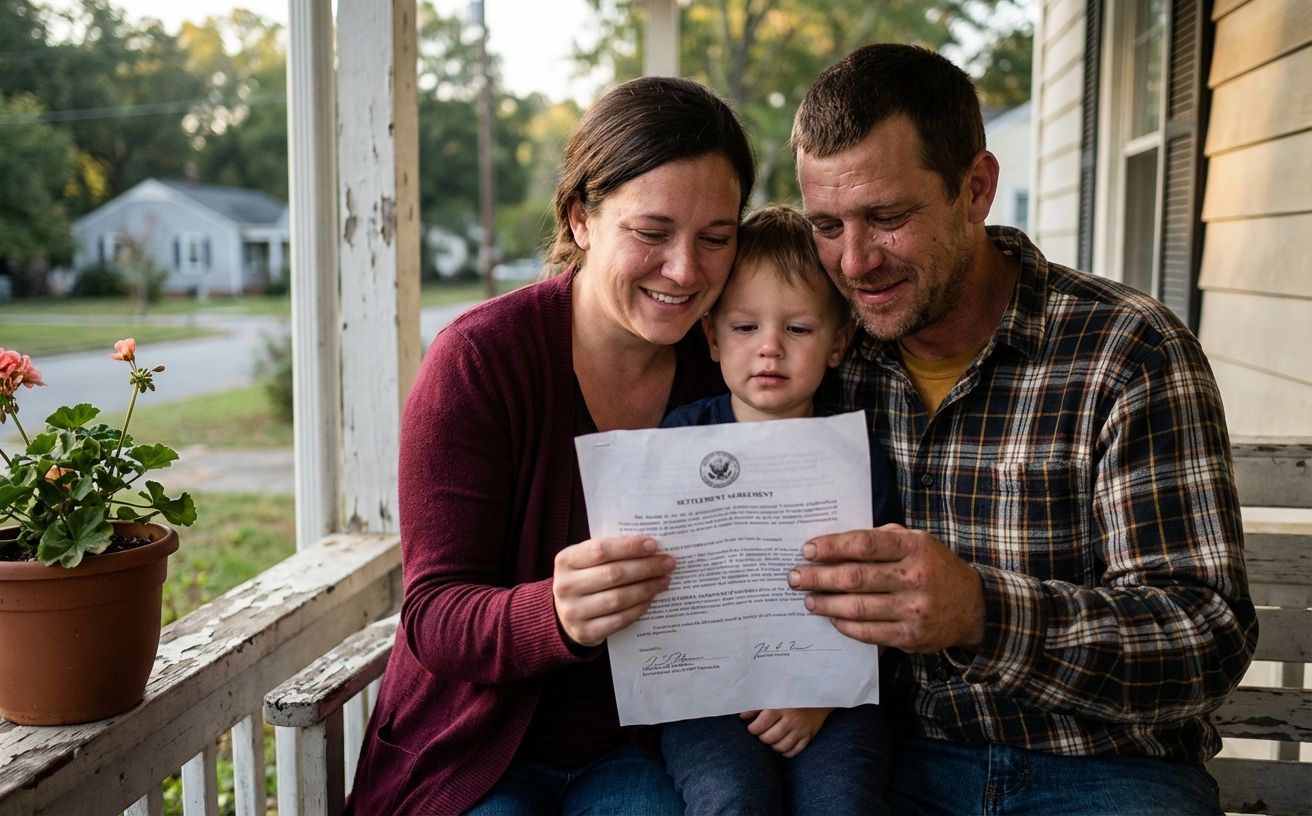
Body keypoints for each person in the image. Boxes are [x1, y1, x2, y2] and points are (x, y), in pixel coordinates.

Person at [786, 44, 1257, 814]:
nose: (854, 260)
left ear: (976, 188)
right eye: (827, 225)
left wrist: (981, 611)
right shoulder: (821, 355)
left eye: (887, 218)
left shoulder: (1126, 351)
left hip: (1107, 769)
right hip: (891, 764)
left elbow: (1204, 636)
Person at [347, 76, 754, 816]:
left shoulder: (731, 363)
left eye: (717, 238)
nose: (686, 270)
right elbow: (433, 615)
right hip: (473, 751)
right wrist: (554, 615)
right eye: (652, 233)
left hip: (638, 749)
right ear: (581, 220)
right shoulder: (479, 360)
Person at [658, 205, 900, 815]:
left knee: (844, 803)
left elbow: (883, 594)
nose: (769, 348)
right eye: (744, 328)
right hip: (706, 701)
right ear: (711, 337)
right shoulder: (675, 443)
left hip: (834, 697)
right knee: (731, 801)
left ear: (840, 341)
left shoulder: (855, 454)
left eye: (797, 329)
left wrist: (822, 694)